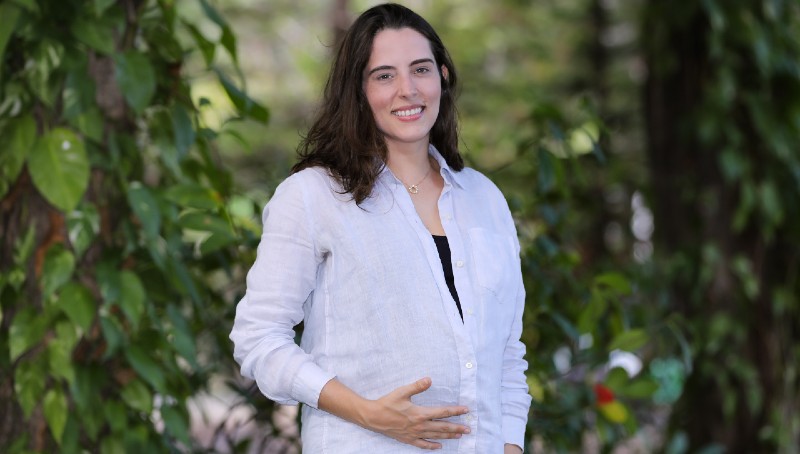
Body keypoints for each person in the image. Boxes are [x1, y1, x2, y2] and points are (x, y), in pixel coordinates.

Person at [230, 3, 531, 452]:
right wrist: (367, 412)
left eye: (421, 69)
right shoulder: (313, 196)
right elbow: (258, 339)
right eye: (384, 75)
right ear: (358, 90)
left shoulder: (484, 199)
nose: (407, 90)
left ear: (443, 76)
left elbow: (507, 355)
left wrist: (510, 446)